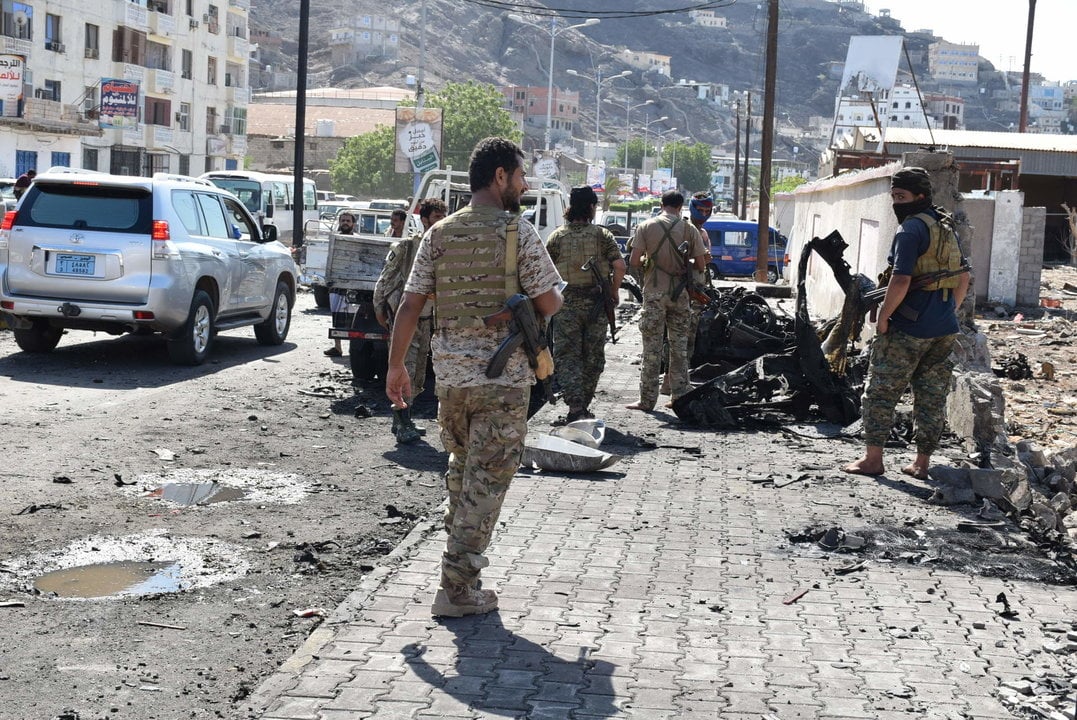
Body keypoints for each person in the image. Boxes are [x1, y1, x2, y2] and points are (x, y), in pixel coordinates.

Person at [386, 137, 563, 617]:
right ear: (500, 176)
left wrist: (396, 366)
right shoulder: (517, 233)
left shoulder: (438, 233)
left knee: (464, 478)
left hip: (452, 383)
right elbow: (550, 303)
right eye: (521, 176)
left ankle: (462, 576)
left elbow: (410, 303)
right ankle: (456, 590)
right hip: (502, 384)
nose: (524, 185)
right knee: (486, 486)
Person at [844, 166, 970, 480]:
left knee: (880, 393)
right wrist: (947, 310)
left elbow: (900, 281)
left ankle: (873, 460)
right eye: (894, 197)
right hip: (943, 329)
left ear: (921, 196)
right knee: (931, 397)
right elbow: (963, 276)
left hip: (908, 328)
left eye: (902, 196)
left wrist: (884, 317)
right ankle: (921, 464)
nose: (896, 203)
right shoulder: (944, 225)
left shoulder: (910, 230)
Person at [545, 185, 626, 423]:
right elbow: (620, 266)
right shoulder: (603, 236)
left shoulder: (557, 236)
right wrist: (613, 291)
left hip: (566, 304)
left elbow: (545, 272)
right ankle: (583, 406)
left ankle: (575, 407)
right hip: (596, 304)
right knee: (593, 357)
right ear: (591, 207)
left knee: (567, 356)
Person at [373, 198, 448, 443]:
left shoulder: (445, 249)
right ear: (424, 219)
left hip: (428, 320)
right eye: (437, 217)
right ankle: (402, 421)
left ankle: (405, 420)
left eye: (444, 217)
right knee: (404, 368)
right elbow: (384, 280)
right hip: (407, 319)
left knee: (417, 375)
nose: (442, 222)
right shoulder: (407, 247)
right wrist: (379, 309)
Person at [625, 190, 708, 412]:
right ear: (681, 207)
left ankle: (647, 400)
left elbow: (634, 260)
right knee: (679, 348)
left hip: (653, 293)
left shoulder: (645, 227)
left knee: (651, 349)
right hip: (680, 295)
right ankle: (679, 397)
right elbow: (701, 265)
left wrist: (649, 259)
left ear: (661, 204)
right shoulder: (690, 230)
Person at [324, 211, 357, 358]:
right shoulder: (334, 240)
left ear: (353, 224)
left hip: (352, 284)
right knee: (336, 315)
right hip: (337, 283)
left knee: (353, 316)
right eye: (343, 220)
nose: (345, 223)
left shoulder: (357, 240)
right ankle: (337, 347)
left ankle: (354, 348)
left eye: (348, 221)